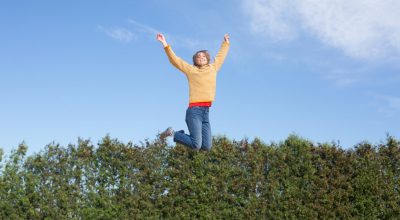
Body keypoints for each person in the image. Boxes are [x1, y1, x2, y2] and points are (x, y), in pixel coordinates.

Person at [157, 33, 230, 151]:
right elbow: (176, 60)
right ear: (195, 60)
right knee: (196, 145)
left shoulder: (213, 68)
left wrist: (225, 43)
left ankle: (179, 135)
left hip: (206, 112)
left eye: (203, 56)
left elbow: (221, 56)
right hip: (194, 111)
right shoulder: (191, 70)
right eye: (198, 57)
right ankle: (173, 133)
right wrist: (165, 44)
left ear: (207, 59)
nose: (201, 58)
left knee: (206, 146)